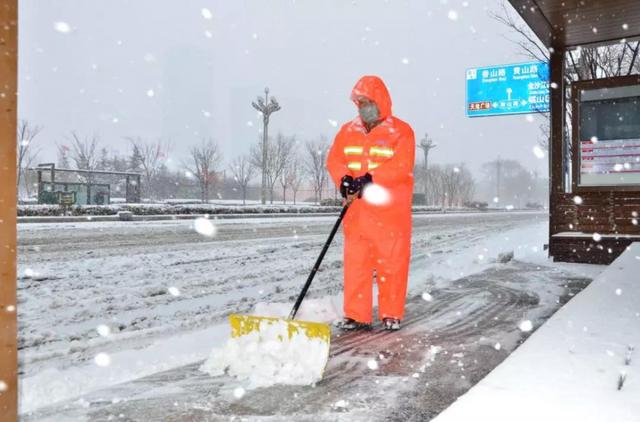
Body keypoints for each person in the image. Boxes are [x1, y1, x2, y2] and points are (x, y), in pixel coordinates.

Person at [326, 75, 415, 331]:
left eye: (367, 101)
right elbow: (335, 160)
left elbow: (400, 166)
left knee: (392, 264)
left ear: (380, 100)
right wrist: (343, 179)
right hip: (357, 212)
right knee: (356, 264)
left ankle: (391, 313)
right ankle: (356, 314)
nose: (363, 106)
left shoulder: (401, 131)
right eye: (359, 102)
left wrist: (370, 179)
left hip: (390, 213)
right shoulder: (347, 131)